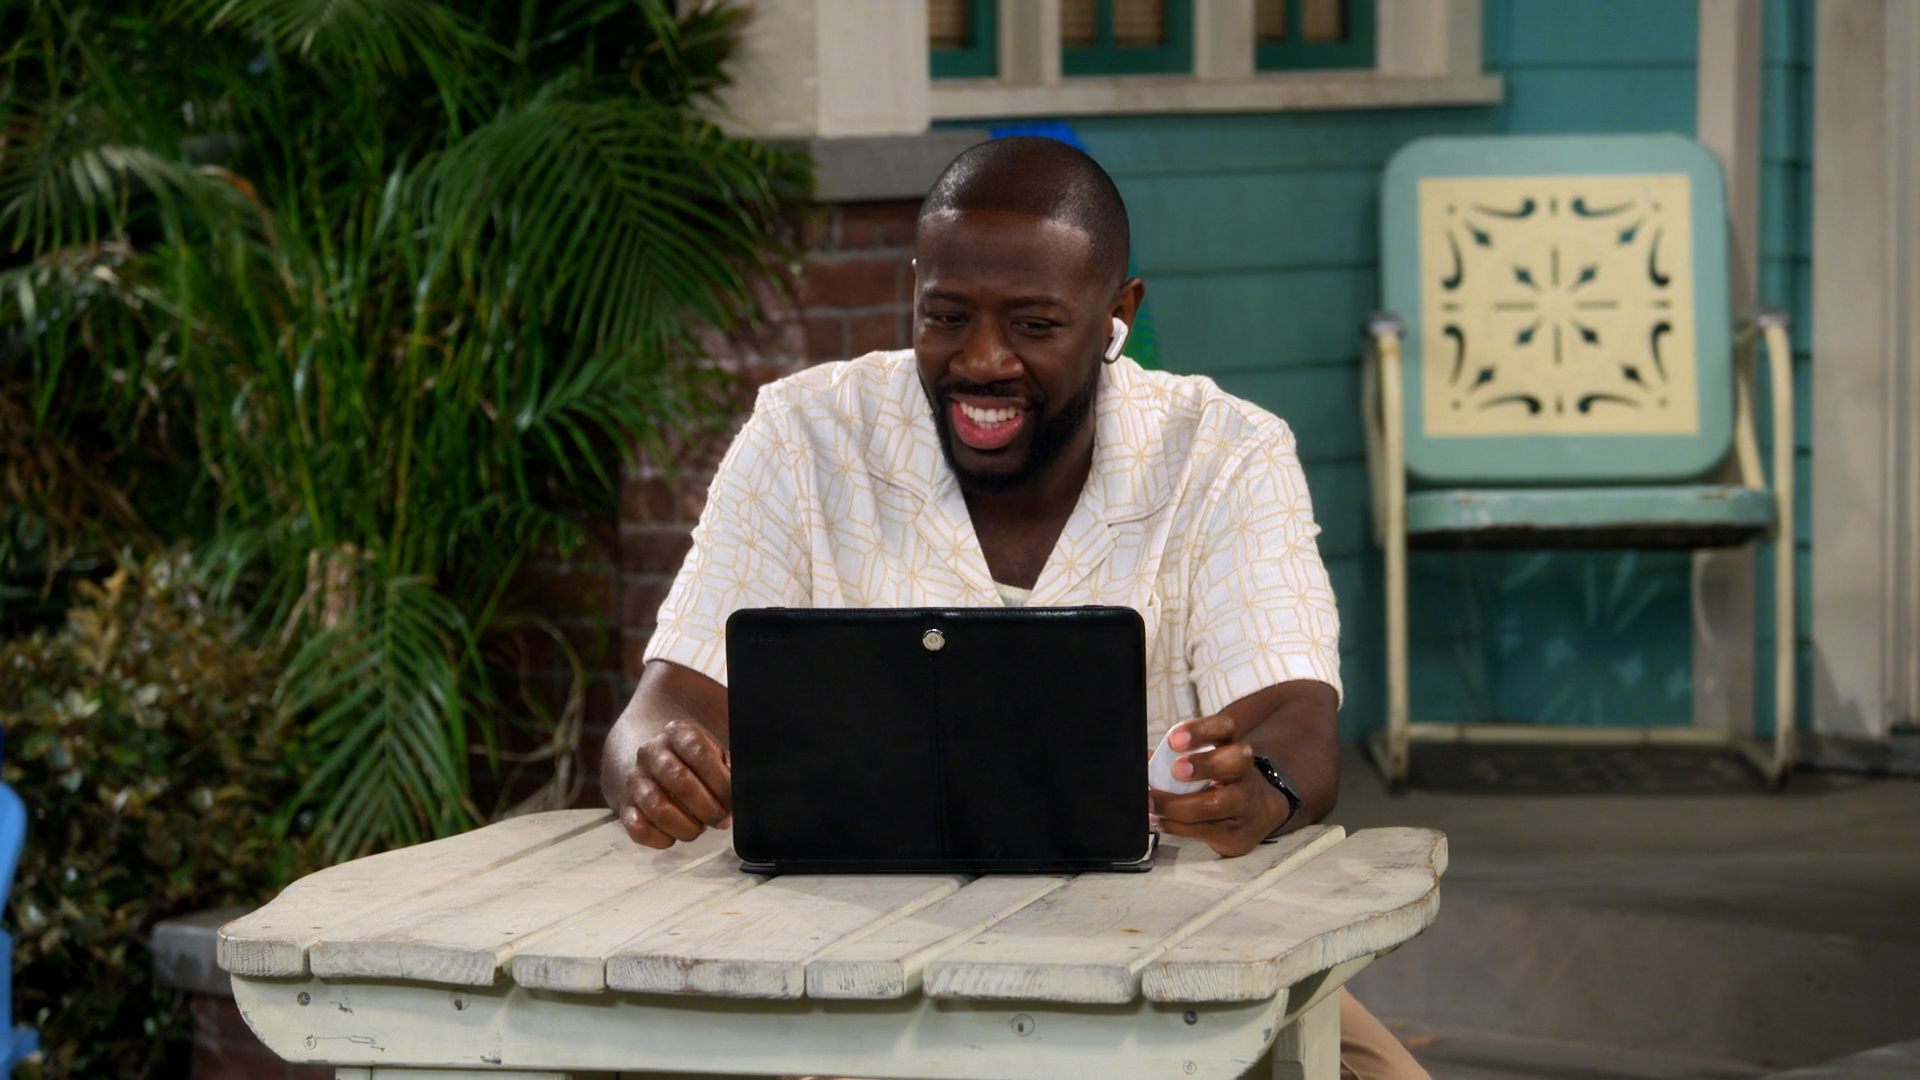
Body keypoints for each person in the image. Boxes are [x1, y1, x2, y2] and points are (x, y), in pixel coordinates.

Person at [600, 136, 1428, 1080]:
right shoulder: (803, 435)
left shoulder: (1226, 453)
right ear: (914, 290)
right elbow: (661, 711)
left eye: (1035, 324)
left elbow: (1296, 722)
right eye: (946, 315)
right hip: (837, 961)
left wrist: (1261, 787)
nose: (982, 360)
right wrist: (655, 769)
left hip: (1168, 954)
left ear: (1117, 315)